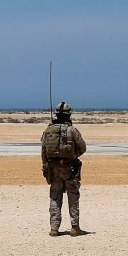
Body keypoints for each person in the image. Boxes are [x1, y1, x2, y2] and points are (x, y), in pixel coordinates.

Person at [41, 101, 87, 236]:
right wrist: (73, 156)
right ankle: (75, 228)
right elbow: (83, 148)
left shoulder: (48, 131)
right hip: (69, 169)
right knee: (73, 197)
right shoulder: (72, 130)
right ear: (68, 115)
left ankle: (54, 229)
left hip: (53, 170)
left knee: (55, 197)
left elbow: (43, 151)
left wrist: (46, 166)